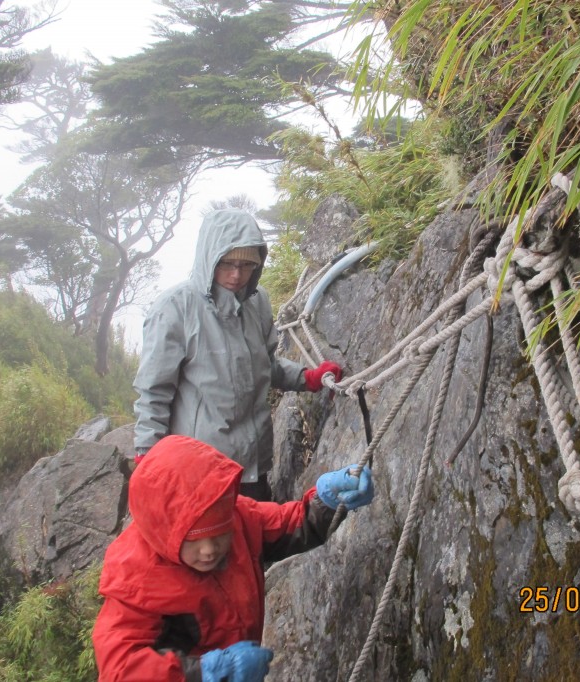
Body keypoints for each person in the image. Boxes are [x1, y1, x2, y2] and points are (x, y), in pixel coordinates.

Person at [92, 434, 374, 682]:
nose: (209, 550)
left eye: (219, 534)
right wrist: (208, 672)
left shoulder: (237, 519)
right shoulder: (138, 581)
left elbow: (289, 524)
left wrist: (327, 501)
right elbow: (119, 669)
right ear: (163, 532)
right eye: (192, 540)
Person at [133, 208, 341, 501]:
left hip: (253, 467)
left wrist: (307, 378)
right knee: (215, 548)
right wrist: (147, 456)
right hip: (200, 474)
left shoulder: (258, 303)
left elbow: (263, 366)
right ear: (209, 258)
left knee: (257, 544)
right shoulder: (175, 309)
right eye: (227, 263)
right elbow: (153, 393)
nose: (236, 275)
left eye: (246, 265)